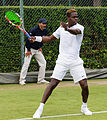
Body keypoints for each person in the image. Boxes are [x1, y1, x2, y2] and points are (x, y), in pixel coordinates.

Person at [30, 9, 92, 118]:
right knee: (52, 84)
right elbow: (49, 38)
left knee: (84, 85)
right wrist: (37, 39)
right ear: (68, 18)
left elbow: (75, 32)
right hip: (62, 61)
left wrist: (66, 28)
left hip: (75, 61)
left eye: (77, 16)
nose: (76, 18)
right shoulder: (61, 29)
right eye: (74, 17)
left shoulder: (80, 27)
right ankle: (39, 109)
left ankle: (84, 107)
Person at [19, 18, 49, 85]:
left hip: (37, 49)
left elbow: (42, 39)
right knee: (26, 64)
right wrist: (28, 50)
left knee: (43, 63)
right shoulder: (33, 30)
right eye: (43, 23)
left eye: (45, 24)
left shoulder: (45, 31)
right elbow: (27, 41)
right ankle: (22, 80)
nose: (44, 25)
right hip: (30, 49)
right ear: (39, 24)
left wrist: (40, 47)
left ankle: (41, 80)